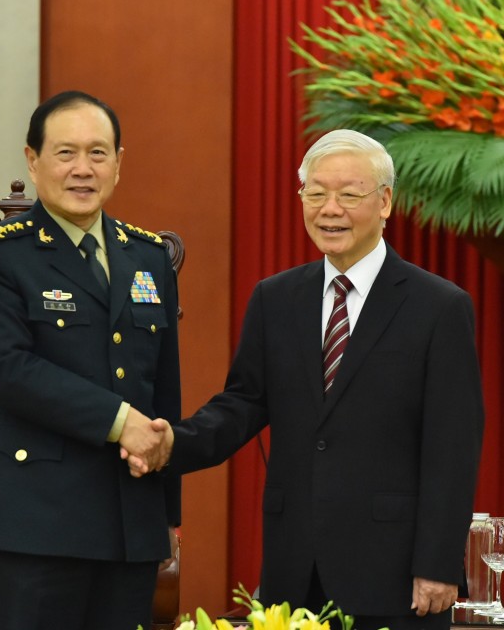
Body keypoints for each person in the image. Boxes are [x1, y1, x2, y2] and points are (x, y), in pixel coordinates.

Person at [132, 129, 484, 630]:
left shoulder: (439, 306)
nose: (329, 209)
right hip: (294, 573)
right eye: (315, 193)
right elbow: (241, 405)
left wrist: (437, 564)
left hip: (397, 576)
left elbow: (453, 447)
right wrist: (171, 445)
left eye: (348, 194)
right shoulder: (276, 300)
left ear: (385, 201)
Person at [0, 90, 179, 630]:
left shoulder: (148, 256)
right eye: (65, 153)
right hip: (36, 520)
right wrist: (120, 421)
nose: (83, 169)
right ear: (32, 160)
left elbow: (163, 388)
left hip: (131, 519)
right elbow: (10, 370)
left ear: (119, 164)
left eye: (99, 154)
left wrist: (167, 512)